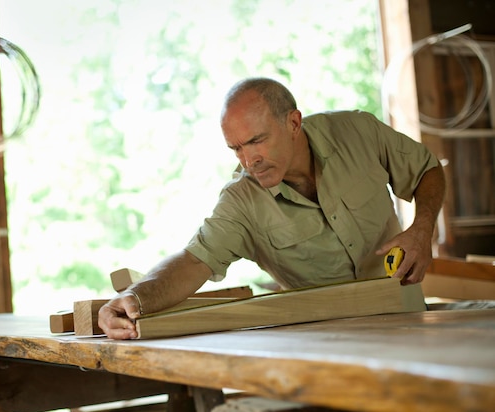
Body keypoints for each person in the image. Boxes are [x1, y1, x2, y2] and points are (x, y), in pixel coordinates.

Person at [98, 77, 445, 340]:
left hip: (408, 317)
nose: (249, 160)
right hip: (327, 341)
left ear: (294, 123)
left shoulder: (359, 132)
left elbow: (427, 169)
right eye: (236, 149)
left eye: (256, 141)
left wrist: (422, 228)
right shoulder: (241, 202)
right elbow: (193, 261)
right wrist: (134, 297)